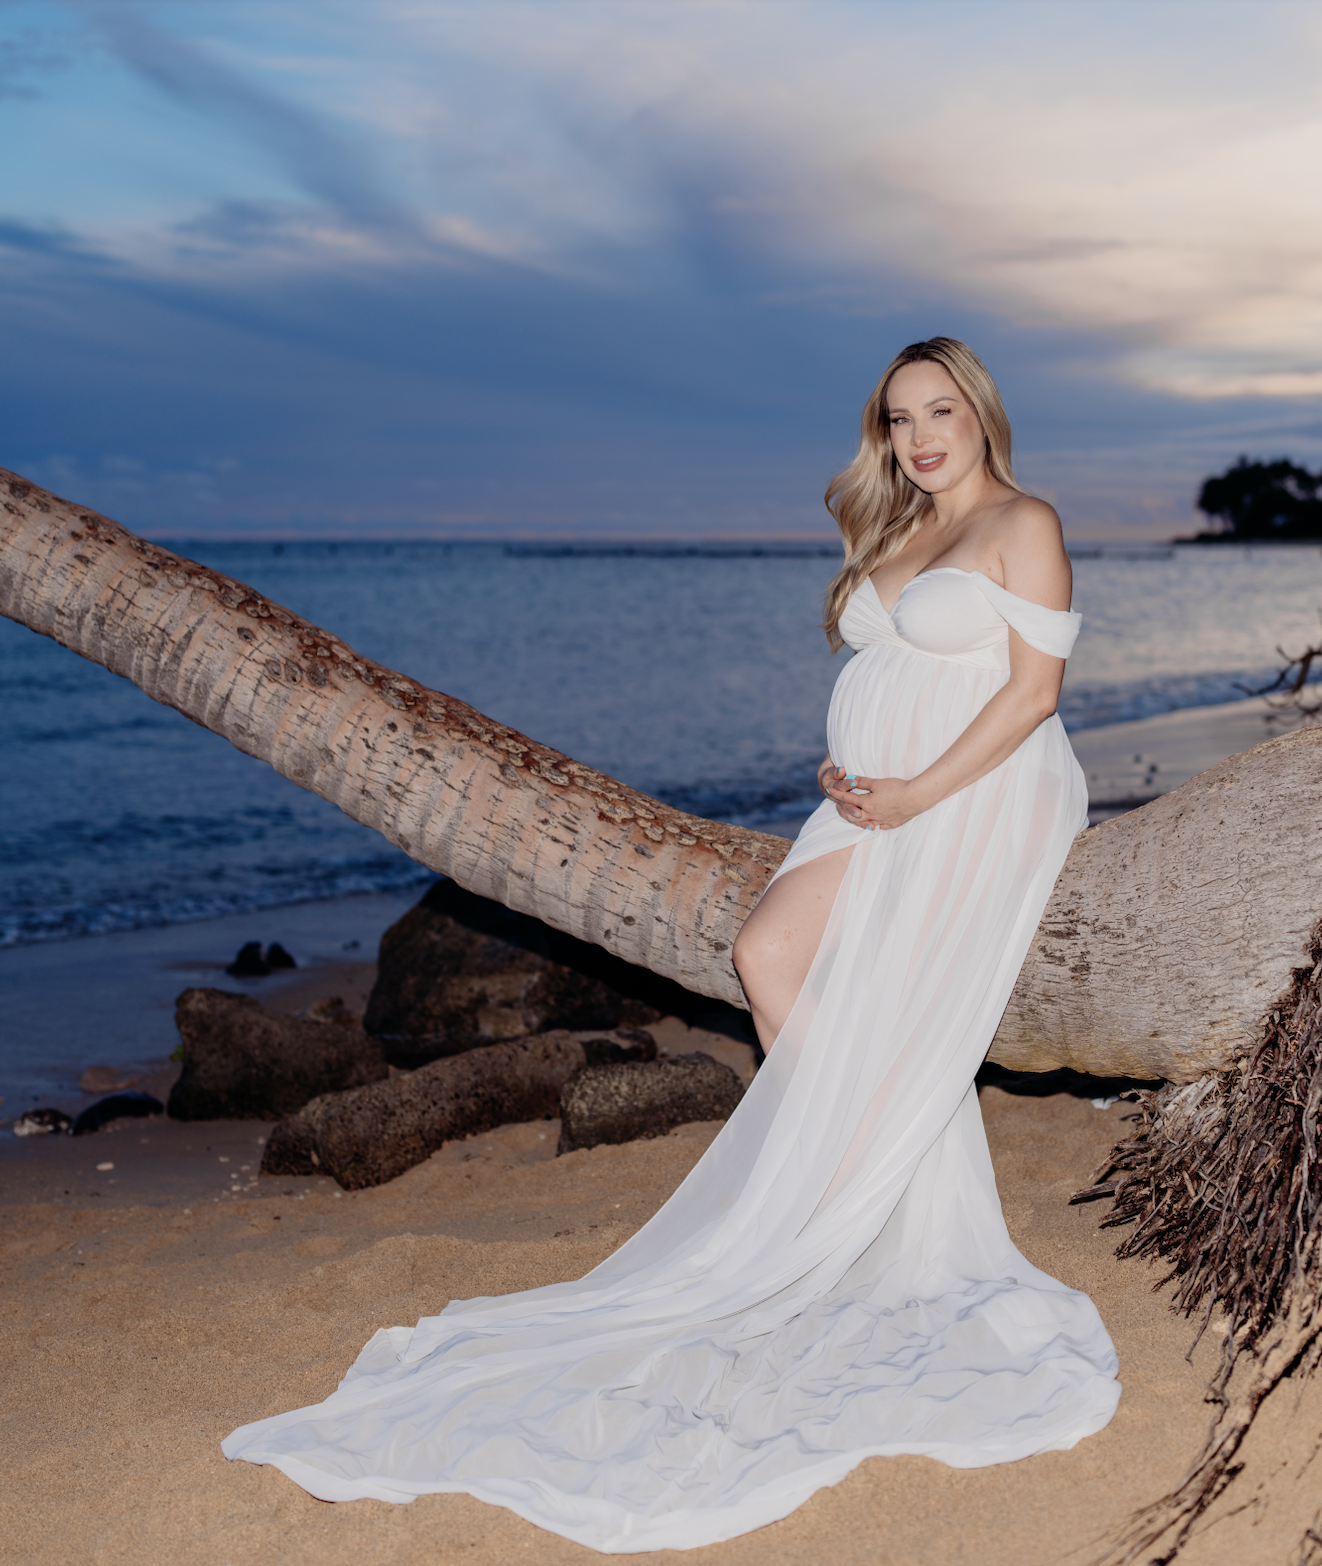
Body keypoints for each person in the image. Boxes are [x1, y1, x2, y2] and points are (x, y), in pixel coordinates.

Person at [223, 338, 1120, 1554]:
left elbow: (1030, 696)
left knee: (844, 985)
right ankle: (868, 1169)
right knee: (767, 958)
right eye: (900, 417)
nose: (919, 435)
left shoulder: (1024, 520)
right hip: (868, 795)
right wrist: (851, 762)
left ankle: (846, 1183)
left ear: (979, 413)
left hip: (977, 790)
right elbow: (896, 663)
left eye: (940, 410)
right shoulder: (895, 530)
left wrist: (911, 793)